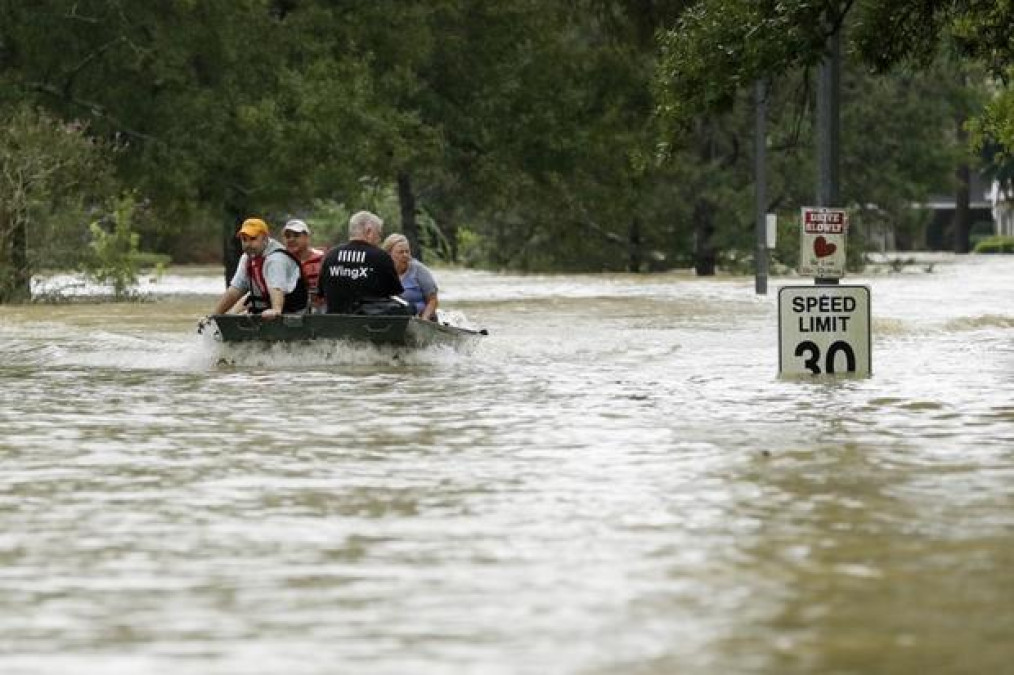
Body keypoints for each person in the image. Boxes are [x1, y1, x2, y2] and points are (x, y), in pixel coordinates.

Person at [210, 217, 307, 320]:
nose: (248, 244)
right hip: (264, 309)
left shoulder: (276, 259)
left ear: (265, 238)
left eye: (253, 239)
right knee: (229, 315)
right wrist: (214, 316)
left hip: (293, 312)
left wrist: (276, 309)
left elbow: (276, 288)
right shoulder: (247, 257)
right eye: (244, 240)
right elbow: (235, 290)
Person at [317, 210, 411, 315]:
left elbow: (320, 292)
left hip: (335, 322)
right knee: (410, 308)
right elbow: (395, 293)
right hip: (370, 326)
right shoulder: (380, 257)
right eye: (379, 234)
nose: (379, 239)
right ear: (369, 231)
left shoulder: (330, 256)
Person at [381, 233, 439, 321]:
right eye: (401, 252)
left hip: (418, 319)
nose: (405, 255)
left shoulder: (419, 270)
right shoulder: (381, 272)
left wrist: (424, 320)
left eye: (407, 251)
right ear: (389, 254)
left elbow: (432, 300)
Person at [282, 218, 326, 313]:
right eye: (288, 236)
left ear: (307, 237)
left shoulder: (322, 258)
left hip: (320, 309)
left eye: (296, 236)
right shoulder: (281, 262)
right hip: (292, 311)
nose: (291, 239)